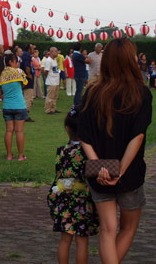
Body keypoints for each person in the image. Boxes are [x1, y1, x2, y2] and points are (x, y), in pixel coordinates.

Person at [78, 38, 152, 264]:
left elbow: (84, 136)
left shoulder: (92, 92)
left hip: (98, 169)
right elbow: (137, 136)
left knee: (108, 230)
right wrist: (119, 170)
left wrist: (100, 166)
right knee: (128, 228)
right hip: (128, 171)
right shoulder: (141, 92)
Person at [47, 106, 99, 264]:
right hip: (83, 200)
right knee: (82, 241)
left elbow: (58, 174)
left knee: (65, 240)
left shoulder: (62, 151)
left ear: (67, 129)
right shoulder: (89, 152)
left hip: (64, 199)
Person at [0, 53, 29, 161]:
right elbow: (24, 85)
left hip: (7, 106)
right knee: (19, 131)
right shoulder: (19, 72)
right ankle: (20, 156)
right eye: (16, 61)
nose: (17, 63)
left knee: (9, 131)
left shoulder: (0, 74)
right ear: (11, 62)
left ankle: (9, 155)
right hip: (19, 105)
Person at [20, 43, 36, 122]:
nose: (33, 50)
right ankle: (25, 116)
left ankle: (22, 114)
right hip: (27, 80)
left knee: (24, 97)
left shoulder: (23, 55)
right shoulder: (27, 56)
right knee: (28, 98)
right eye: (32, 48)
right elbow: (27, 66)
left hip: (22, 78)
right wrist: (29, 75)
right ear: (29, 49)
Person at [44, 47, 61, 115]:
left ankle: (53, 108)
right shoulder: (49, 60)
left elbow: (55, 70)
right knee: (50, 96)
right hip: (51, 81)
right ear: (51, 52)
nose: (57, 53)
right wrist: (47, 78)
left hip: (55, 81)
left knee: (55, 96)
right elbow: (46, 71)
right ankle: (48, 109)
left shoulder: (54, 60)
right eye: (56, 51)